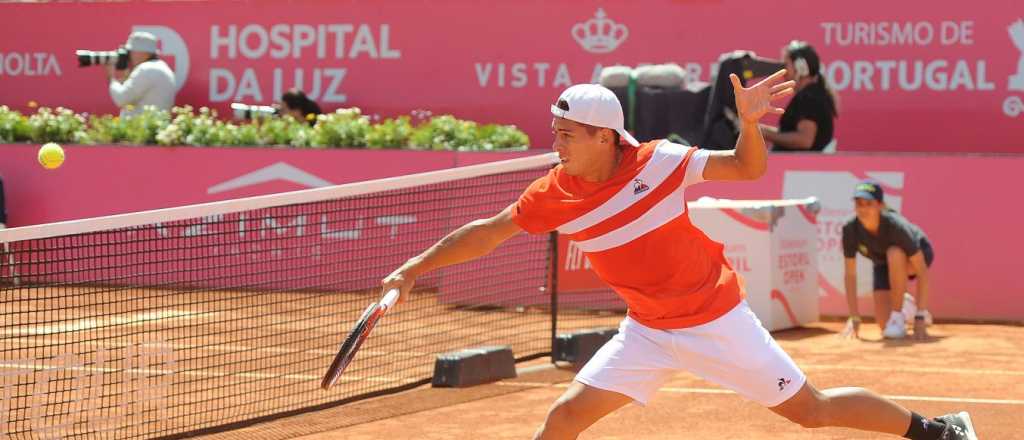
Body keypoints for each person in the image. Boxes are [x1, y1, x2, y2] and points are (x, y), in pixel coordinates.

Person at [379, 74, 977, 439]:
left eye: (566, 133)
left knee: (812, 412)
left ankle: (935, 432)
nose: (554, 143)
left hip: (716, 321)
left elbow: (746, 167)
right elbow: (488, 231)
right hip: (646, 332)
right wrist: (413, 269)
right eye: (553, 129)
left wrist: (748, 125)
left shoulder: (660, 163)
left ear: (604, 136)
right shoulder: (551, 193)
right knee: (563, 422)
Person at [839, 181, 935, 341]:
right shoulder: (850, 229)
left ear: (880, 205)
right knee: (884, 324)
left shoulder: (896, 227)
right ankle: (906, 309)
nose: (863, 209)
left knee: (894, 252)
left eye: (869, 203)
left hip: (918, 257)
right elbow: (850, 274)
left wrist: (920, 316)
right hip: (883, 263)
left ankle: (899, 314)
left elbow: (922, 272)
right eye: (859, 204)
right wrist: (854, 316)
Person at [760, 40, 838, 151]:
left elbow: (804, 140)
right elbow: (788, 133)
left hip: (803, 166)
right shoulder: (812, 94)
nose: (783, 71)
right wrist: (759, 130)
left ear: (800, 67)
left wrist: (765, 134)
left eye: (786, 65)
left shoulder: (809, 98)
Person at [106, 31, 176, 118]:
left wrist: (111, 78)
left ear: (144, 53)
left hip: (142, 129)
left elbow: (122, 99)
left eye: (131, 51)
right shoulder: (160, 67)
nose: (128, 55)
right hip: (153, 126)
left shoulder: (146, 69)